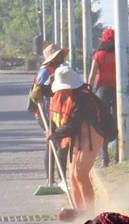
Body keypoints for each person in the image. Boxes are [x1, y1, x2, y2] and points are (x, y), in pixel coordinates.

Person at [49, 66, 105, 210]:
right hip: (79, 136)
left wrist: (55, 134)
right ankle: (79, 210)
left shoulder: (82, 100)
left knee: (80, 174)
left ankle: (90, 212)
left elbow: (72, 125)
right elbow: (47, 92)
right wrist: (38, 88)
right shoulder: (70, 94)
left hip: (93, 135)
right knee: (73, 177)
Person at [30, 43, 69, 180]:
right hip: (45, 112)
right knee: (55, 143)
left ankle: (59, 179)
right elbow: (38, 95)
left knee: (58, 143)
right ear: (52, 58)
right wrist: (48, 119)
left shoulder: (60, 69)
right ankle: (55, 179)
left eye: (61, 55)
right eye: (58, 56)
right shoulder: (45, 72)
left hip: (58, 111)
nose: (61, 57)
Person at [88, 28, 117, 167]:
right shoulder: (121, 55)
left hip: (102, 92)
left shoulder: (98, 55)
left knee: (102, 123)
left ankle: (105, 156)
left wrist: (88, 90)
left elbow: (92, 75)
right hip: (118, 91)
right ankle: (118, 154)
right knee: (118, 122)